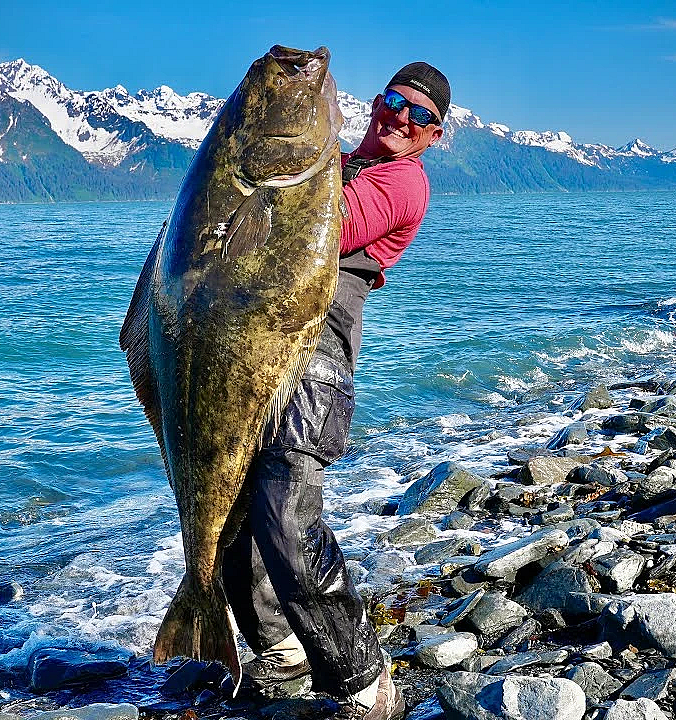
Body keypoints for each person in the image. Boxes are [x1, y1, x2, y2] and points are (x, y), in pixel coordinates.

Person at [220, 61, 450, 720]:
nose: (402, 117)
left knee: (286, 514)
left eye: (420, 115)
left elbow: (315, 235)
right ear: (377, 101)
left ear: (435, 135)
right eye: (395, 101)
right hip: (259, 346)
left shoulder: (402, 184)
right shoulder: (342, 160)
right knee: (233, 511)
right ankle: (279, 647)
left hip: (317, 354)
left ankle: (361, 675)